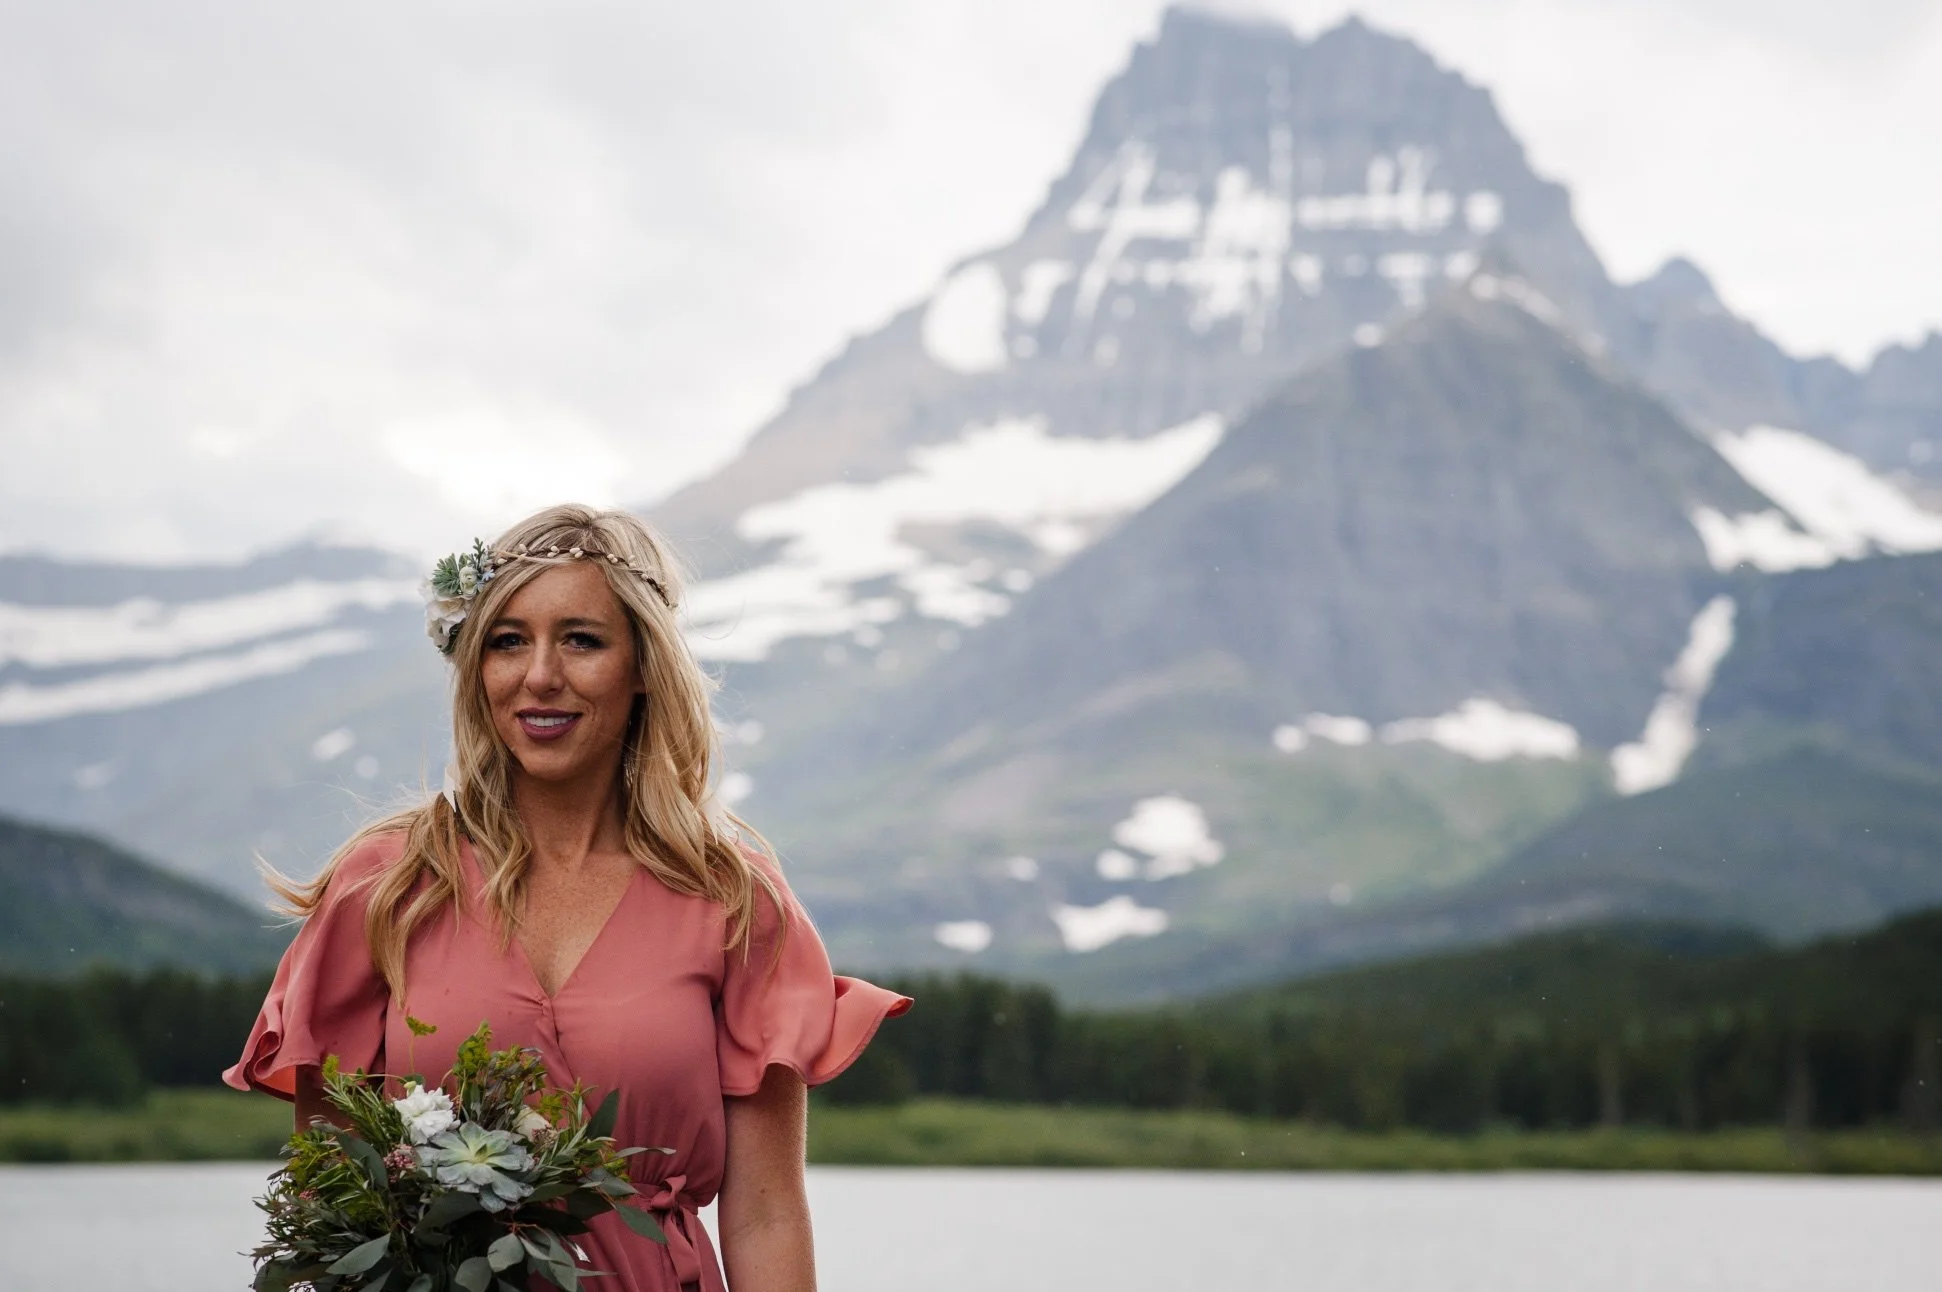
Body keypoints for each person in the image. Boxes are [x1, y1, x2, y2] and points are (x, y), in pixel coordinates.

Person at [225, 503, 911, 1292]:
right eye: (507, 641)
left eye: (581, 639)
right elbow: (329, 1198)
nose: (539, 675)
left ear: (643, 667)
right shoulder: (388, 888)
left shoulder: (733, 899)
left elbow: (765, 1214)